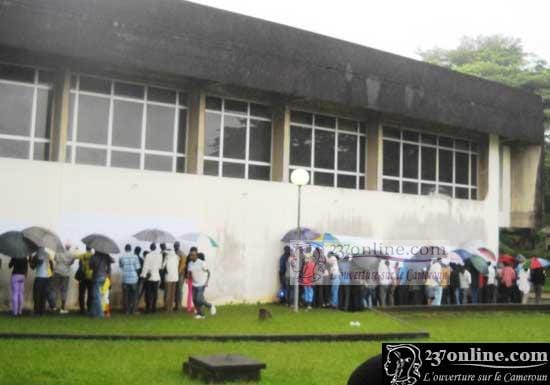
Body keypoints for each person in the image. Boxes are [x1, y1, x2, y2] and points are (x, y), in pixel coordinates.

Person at [187, 249, 216, 319]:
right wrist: (188, 277)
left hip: (201, 284)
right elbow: (190, 273)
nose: (192, 256)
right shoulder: (190, 263)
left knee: (199, 299)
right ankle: (201, 314)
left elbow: (208, 272)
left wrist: (206, 282)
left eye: (193, 255)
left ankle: (210, 306)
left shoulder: (201, 263)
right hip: (194, 284)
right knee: (194, 300)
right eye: (191, 255)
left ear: (196, 255)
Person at [51, 243, 76, 314]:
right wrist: (72, 261)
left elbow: (55, 259)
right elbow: (71, 263)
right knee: (64, 290)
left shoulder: (58, 252)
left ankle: (53, 307)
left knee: (55, 289)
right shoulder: (71, 254)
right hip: (66, 274)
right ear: (69, 247)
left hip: (57, 272)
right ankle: (62, 308)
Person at [89, 251, 113, 318]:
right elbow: (110, 266)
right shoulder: (106, 256)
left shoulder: (93, 257)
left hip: (96, 277)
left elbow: (90, 267)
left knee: (96, 296)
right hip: (105, 278)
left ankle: (100, 313)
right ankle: (93, 312)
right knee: (104, 296)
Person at [30, 248, 53, 316]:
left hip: (39, 277)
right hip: (47, 277)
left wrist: (30, 260)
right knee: (43, 295)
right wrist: (51, 274)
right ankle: (42, 311)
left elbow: (32, 267)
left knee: (37, 295)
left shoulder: (36, 255)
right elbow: (51, 265)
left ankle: (36, 311)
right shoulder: (48, 254)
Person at [119, 244, 141, 314]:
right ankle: (134, 310)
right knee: (134, 296)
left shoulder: (121, 257)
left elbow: (121, 266)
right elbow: (137, 268)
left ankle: (126, 310)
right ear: (131, 249)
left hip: (125, 278)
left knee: (126, 295)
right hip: (134, 279)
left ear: (125, 249)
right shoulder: (135, 257)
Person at [141, 243, 163, 314]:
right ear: (155, 248)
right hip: (156, 276)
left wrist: (143, 275)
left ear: (150, 248)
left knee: (148, 293)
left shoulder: (148, 255)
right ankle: (154, 308)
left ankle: (148, 308)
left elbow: (145, 266)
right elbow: (160, 266)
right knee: (155, 293)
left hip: (149, 277)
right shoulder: (160, 255)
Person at [75, 246, 94, 315]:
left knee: (81, 293)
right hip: (91, 276)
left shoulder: (82, 256)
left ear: (86, 248)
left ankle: (82, 309)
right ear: (91, 249)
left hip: (82, 276)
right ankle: (89, 308)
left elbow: (79, 265)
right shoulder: (93, 256)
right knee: (90, 293)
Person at [162, 245, 179, 312]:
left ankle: (167, 308)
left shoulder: (167, 257)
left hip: (168, 277)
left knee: (168, 293)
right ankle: (171, 308)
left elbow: (163, 266)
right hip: (175, 277)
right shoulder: (177, 257)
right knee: (172, 293)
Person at [174, 242, 186, 311]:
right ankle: (176, 305)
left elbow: (183, 265)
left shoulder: (182, 254)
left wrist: (178, 272)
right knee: (176, 290)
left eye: (176, 246)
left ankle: (179, 306)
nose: (175, 247)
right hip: (175, 274)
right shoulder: (174, 253)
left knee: (179, 290)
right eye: (174, 246)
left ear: (178, 246)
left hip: (180, 274)